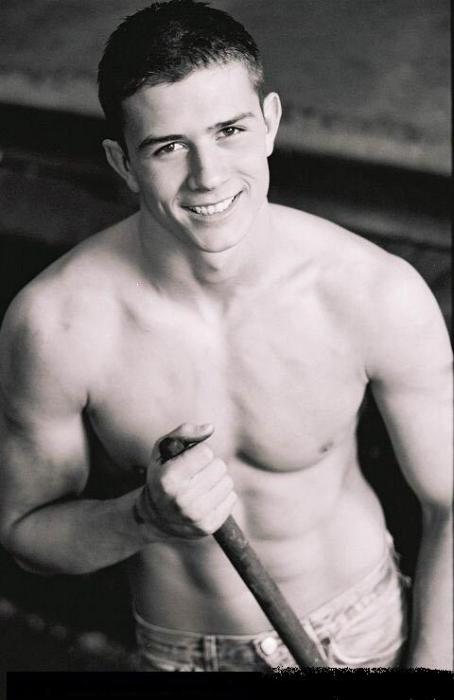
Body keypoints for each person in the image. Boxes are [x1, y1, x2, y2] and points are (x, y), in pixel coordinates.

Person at [0, 0, 451, 672]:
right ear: (122, 163)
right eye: (168, 146)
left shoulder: (372, 292)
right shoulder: (56, 325)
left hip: (366, 633)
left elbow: (451, 503)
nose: (208, 175)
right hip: (187, 656)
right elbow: (24, 536)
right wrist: (144, 518)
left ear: (270, 123)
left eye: (230, 130)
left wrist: (433, 669)